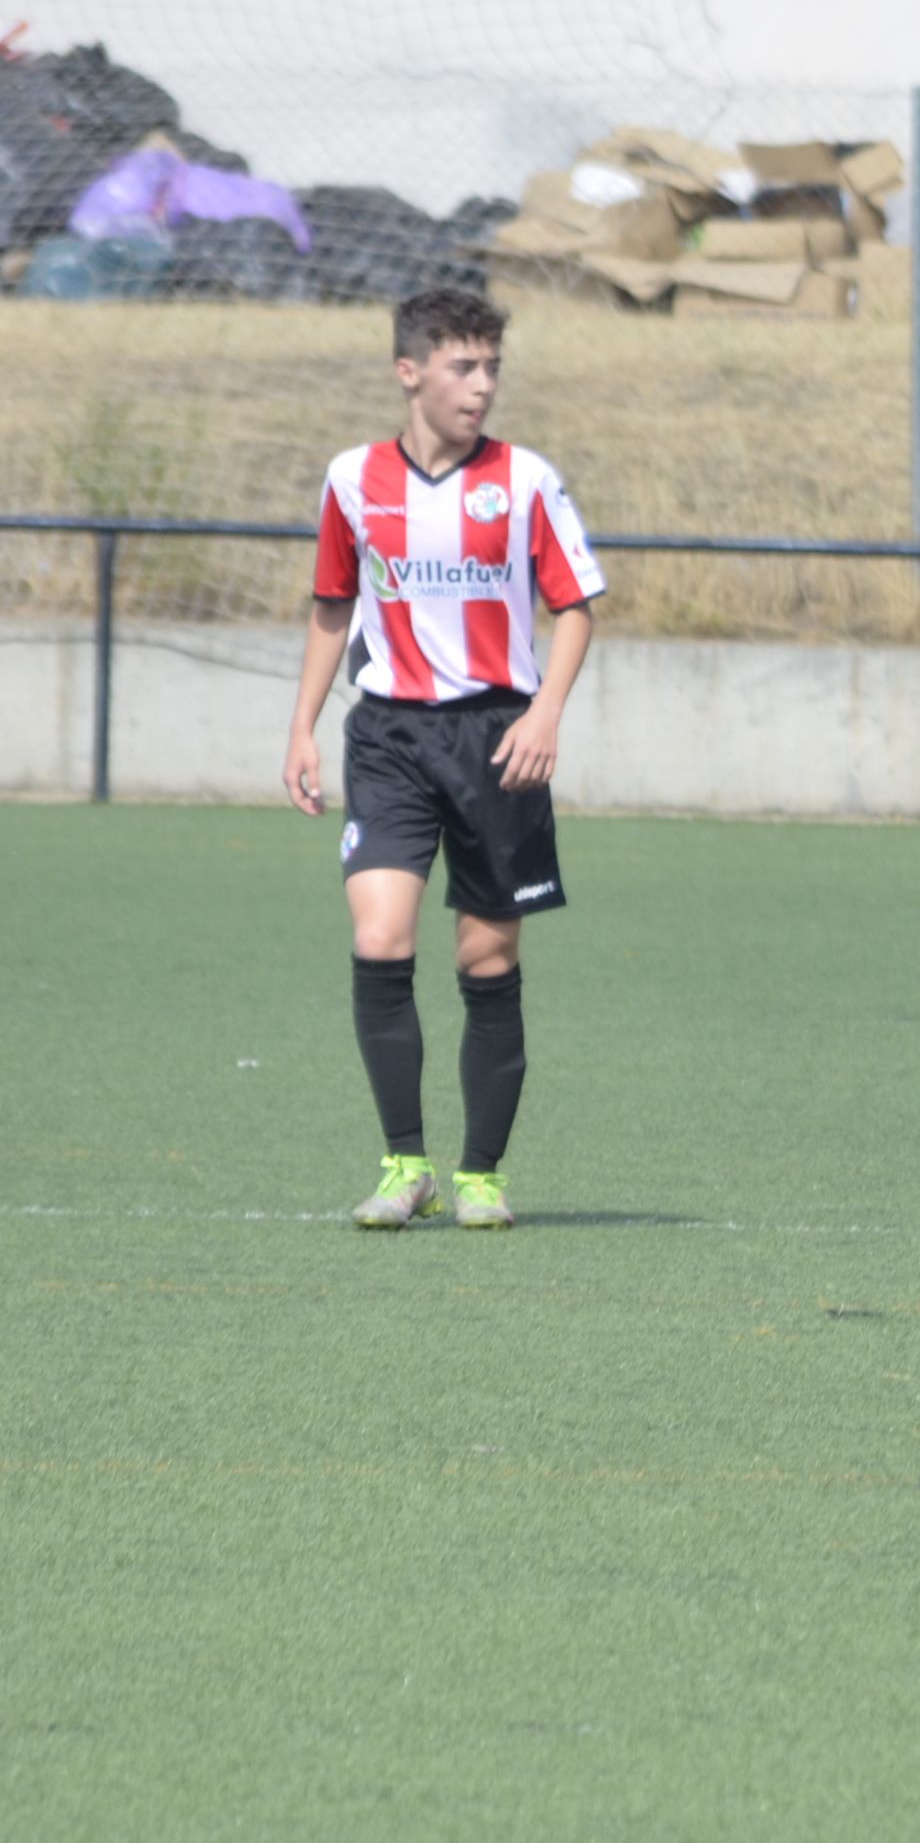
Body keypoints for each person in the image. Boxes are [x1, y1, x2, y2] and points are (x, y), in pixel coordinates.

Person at [279, 288, 606, 1230]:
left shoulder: (527, 480)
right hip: (387, 734)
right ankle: (403, 1163)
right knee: (379, 938)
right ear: (410, 371)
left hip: (497, 736)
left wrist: (545, 714)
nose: (483, 386)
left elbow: (576, 606)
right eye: (465, 367)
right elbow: (332, 604)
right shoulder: (352, 480)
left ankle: (482, 1175)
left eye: (493, 367)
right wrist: (302, 724)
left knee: (486, 957)